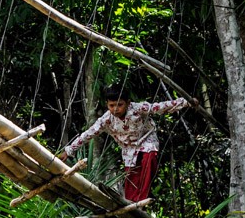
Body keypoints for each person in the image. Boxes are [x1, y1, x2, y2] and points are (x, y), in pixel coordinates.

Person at [58, 83, 197, 202]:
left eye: (120, 105)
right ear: (107, 104)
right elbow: (87, 134)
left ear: (128, 103)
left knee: (149, 158)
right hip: (128, 149)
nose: (115, 109)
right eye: (111, 105)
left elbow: (161, 106)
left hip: (146, 139)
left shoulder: (138, 108)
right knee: (131, 177)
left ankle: (141, 200)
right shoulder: (105, 120)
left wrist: (186, 102)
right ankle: (131, 205)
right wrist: (68, 151)